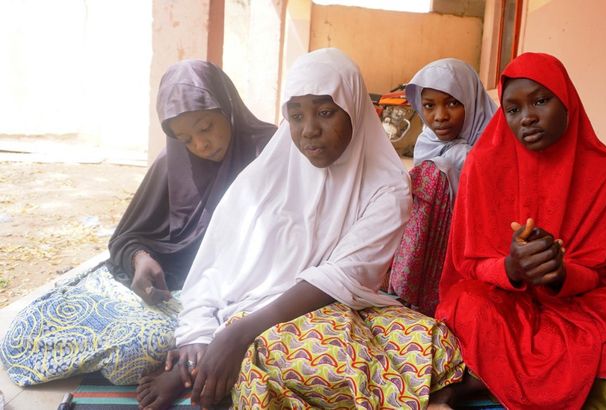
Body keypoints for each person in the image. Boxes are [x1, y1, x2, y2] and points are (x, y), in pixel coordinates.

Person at [136, 48, 465, 410]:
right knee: (277, 360)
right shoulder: (265, 176)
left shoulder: (388, 186)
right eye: (296, 115)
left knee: (432, 340)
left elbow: (345, 275)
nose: (309, 129)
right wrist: (198, 335)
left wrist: (238, 335)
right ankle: (420, 397)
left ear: (354, 107)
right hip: (257, 312)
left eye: (325, 112)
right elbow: (214, 264)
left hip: (339, 305)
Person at [0, 60, 276, 386]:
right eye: (185, 138)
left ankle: (178, 366)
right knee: (28, 329)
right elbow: (127, 236)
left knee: (139, 351)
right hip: (167, 292)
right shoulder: (173, 160)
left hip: (234, 296)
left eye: (205, 128)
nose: (200, 145)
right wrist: (140, 259)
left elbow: (281, 245)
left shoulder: (269, 151)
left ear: (227, 106)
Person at [434, 52, 606, 409]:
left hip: (581, 304)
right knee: (464, 307)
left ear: (567, 102)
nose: (527, 118)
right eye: (513, 109)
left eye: (541, 101)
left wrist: (560, 273)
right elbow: (467, 265)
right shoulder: (483, 165)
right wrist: (511, 268)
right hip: (505, 301)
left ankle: (481, 385)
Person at [388, 58, 496, 315]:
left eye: (452, 103)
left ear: (471, 100)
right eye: (428, 106)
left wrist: (462, 159)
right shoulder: (427, 140)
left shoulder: (495, 139)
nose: (440, 116)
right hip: (434, 244)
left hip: (478, 245)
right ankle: (410, 288)